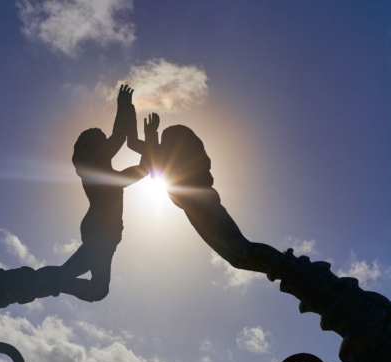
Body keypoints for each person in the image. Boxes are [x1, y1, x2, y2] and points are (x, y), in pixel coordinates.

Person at [44, 84, 150, 302]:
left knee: (82, 281)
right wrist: (124, 106)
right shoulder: (92, 165)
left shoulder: (109, 176)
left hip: (105, 233)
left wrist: (143, 129)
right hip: (100, 231)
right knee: (98, 289)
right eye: (100, 141)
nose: (106, 144)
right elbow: (120, 137)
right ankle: (51, 282)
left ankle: (50, 282)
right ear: (92, 148)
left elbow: (141, 169)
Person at [153, 124, 282, 274]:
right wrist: (150, 133)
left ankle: (295, 269)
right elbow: (143, 151)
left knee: (241, 248)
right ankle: (288, 277)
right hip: (192, 209)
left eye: (165, 139)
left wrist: (151, 134)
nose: (162, 143)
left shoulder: (184, 160)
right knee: (236, 260)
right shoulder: (167, 158)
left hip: (201, 201)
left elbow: (151, 156)